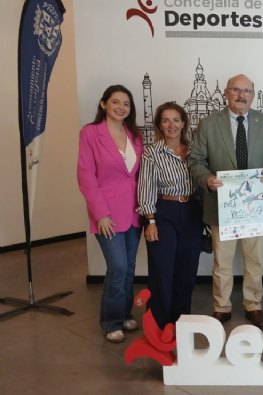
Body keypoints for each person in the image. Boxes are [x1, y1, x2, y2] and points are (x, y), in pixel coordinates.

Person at [189, 74, 263, 330]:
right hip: (223, 205)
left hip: (254, 205)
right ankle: (222, 307)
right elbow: (196, 161)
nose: (242, 95)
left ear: (253, 95)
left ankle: (253, 305)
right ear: (226, 93)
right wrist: (207, 179)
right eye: (236, 90)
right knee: (222, 261)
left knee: (254, 260)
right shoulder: (209, 124)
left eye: (247, 91)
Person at [77, 85, 143, 343]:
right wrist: (100, 214)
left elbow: (137, 175)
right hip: (107, 214)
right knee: (117, 267)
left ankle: (125, 313)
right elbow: (85, 176)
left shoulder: (135, 135)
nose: (121, 107)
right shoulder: (90, 133)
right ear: (103, 104)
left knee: (129, 268)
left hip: (134, 211)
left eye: (126, 103)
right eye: (115, 102)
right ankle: (111, 321)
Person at [137, 102, 203, 329]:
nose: (171, 125)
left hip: (192, 211)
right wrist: (150, 220)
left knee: (187, 269)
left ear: (184, 123)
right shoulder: (152, 152)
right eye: (166, 120)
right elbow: (146, 187)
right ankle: (159, 322)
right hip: (164, 211)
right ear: (159, 125)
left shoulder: (195, 150)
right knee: (162, 269)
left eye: (176, 120)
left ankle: (180, 322)